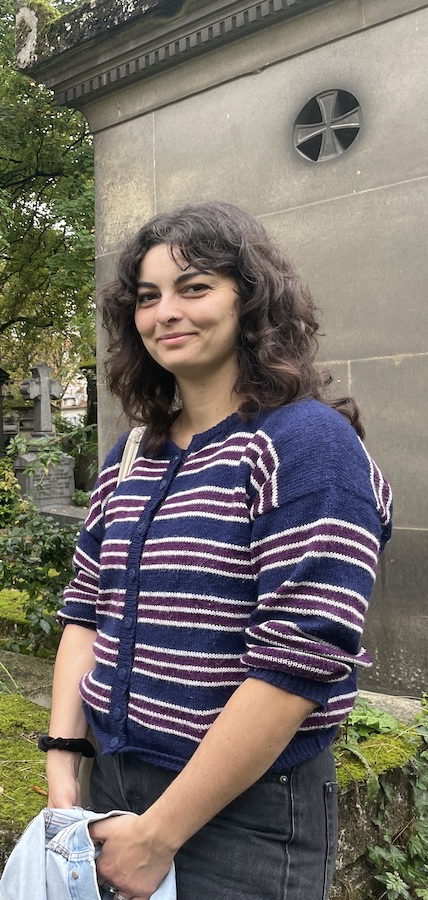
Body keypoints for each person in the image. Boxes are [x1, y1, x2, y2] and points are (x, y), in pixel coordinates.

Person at [41, 201, 393, 900]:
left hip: (247, 815)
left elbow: (300, 662)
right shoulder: (130, 456)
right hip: (112, 785)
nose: (166, 312)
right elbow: (87, 609)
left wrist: (161, 833)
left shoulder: (305, 445)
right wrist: (63, 765)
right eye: (148, 297)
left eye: (194, 287)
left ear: (250, 299)